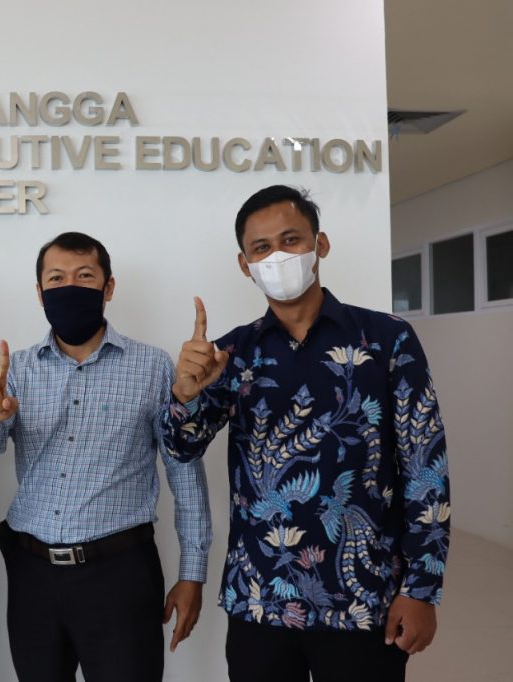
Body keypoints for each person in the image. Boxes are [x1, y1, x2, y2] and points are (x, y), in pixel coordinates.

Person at [163, 185, 451, 682]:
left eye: (290, 240)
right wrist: (186, 394)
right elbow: (181, 446)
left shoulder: (387, 339)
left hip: (363, 599)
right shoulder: (232, 354)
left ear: (320, 244)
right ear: (245, 265)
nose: (277, 256)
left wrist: (422, 589)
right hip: (260, 600)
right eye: (261, 248)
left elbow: (425, 466)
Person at [0, 232, 212, 682]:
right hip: (33, 576)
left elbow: (184, 472)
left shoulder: (153, 367)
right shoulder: (16, 370)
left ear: (108, 288)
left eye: (84, 276)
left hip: (121, 575)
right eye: (56, 278)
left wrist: (193, 573)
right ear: (40, 292)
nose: (69, 286)